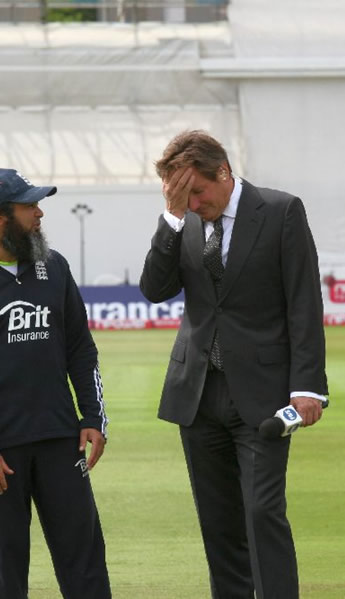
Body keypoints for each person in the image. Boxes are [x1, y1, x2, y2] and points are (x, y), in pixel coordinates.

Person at [140, 131, 328, 599]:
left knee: (263, 511)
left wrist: (308, 386)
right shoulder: (183, 219)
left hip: (263, 393)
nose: (194, 202)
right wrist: (171, 216)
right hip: (198, 394)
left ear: (223, 172)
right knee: (218, 521)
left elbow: (303, 301)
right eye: (182, 196)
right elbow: (154, 288)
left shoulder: (281, 211)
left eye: (197, 191)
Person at [0, 168, 111, 599]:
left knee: (85, 565)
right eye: (29, 207)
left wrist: (92, 417)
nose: (40, 213)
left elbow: (81, 350)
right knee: (7, 574)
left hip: (60, 441)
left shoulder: (55, 265)